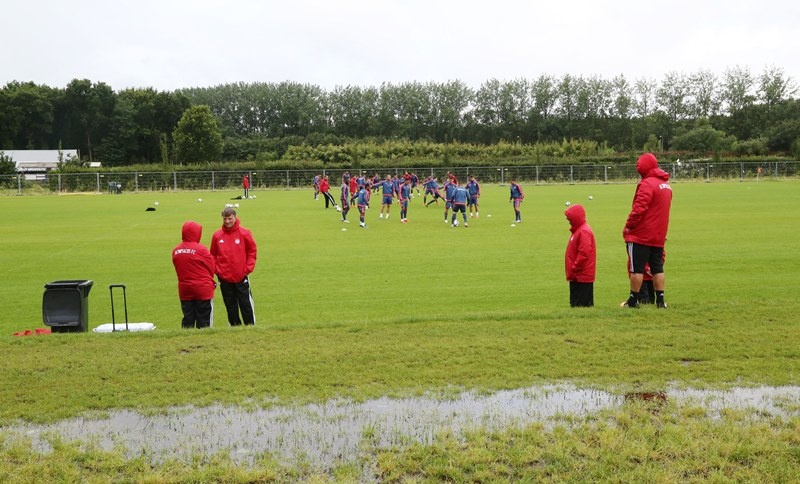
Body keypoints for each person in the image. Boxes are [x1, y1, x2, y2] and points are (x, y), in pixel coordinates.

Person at [622, 152, 673, 309]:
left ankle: (633, 300)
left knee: (636, 268)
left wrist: (629, 225)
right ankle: (660, 300)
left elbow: (639, 209)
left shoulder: (647, 184)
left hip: (642, 235)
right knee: (657, 267)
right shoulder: (666, 186)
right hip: (658, 235)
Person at [211, 207, 258, 325]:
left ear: (235, 217)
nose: (227, 221)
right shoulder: (217, 236)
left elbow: (252, 251)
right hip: (224, 277)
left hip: (241, 276)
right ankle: (234, 327)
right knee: (230, 305)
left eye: (229, 218)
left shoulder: (245, 233)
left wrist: (248, 268)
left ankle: (250, 327)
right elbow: (212, 255)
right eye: (225, 219)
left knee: (245, 304)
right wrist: (218, 271)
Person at [172, 221, 216, 328]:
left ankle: (186, 341)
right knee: (204, 319)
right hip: (202, 289)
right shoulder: (201, 249)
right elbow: (212, 267)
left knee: (188, 318)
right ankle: (203, 342)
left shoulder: (176, 250)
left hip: (185, 289)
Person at [564, 204, 596, 307]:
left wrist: (575, 267)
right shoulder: (578, 230)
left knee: (582, 306)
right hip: (577, 276)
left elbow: (584, 252)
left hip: (582, 276)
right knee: (576, 306)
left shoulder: (583, 231)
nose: (568, 221)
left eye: (570, 218)